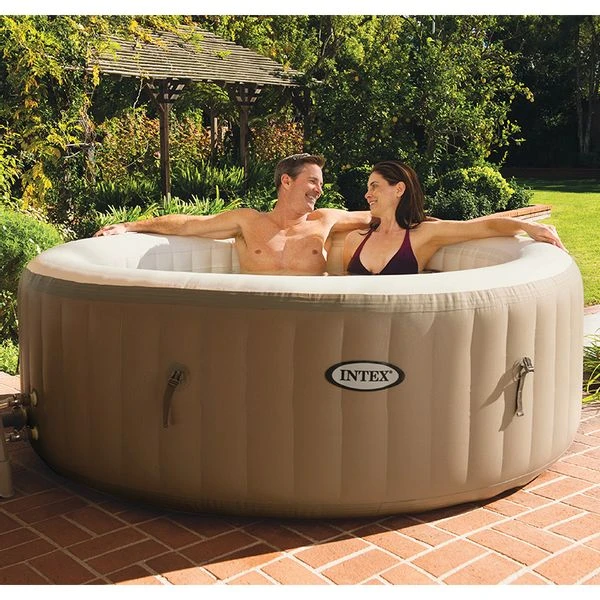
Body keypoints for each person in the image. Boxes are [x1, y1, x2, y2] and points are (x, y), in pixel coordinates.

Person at [95, 154, 371, 275]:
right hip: (254, 315)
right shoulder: (248, 221)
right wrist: (130, 226)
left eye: (320, 184)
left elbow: (377, 216)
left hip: (310, 317)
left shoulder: (325, 219)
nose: (319, 190)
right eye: (312, 182)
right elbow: (188, 225)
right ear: (286, 181)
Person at [344, 160, 566, 275]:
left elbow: (483, 227)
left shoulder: (423, 234)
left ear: (399, 189)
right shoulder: (354, 240)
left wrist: (529, 227)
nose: (367, 194)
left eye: (374, 186)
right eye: (368, 187)